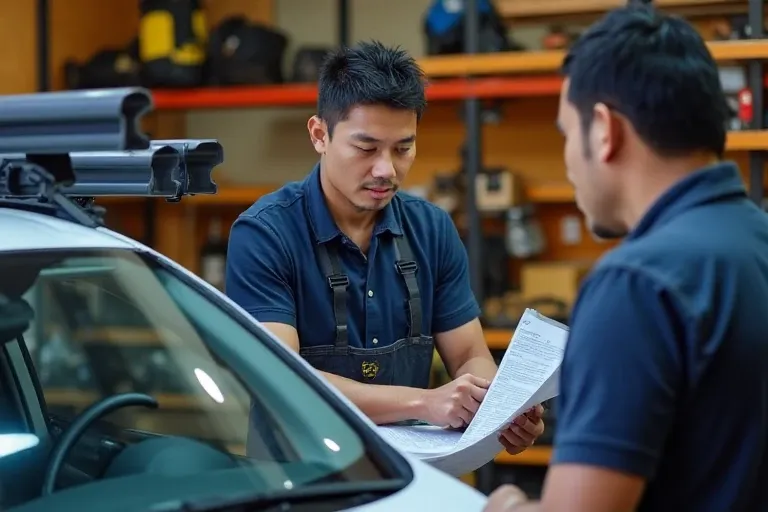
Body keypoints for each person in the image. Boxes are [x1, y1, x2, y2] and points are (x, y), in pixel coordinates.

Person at [484, 5, 768, 512]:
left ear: (603, 129)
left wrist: (504, 504)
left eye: (566, 134)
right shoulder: (755, 241)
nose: (569, 160)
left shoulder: (635, 284)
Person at [225, 41, 543, 454]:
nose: (386, 170)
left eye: (403, 148)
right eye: (366, 148)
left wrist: (494, 406)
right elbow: (282, 379)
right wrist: (425, 403)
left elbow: (468, 355)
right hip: (299, 479)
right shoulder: (265, 234)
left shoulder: (431, 229)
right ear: (320, 134)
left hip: (407, 476)